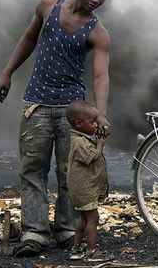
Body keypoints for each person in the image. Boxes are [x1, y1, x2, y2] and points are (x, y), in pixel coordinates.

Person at [0, 0, 112, 257]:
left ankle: (67, 230)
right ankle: (34, 233)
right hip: (37, 103)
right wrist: (7, 72)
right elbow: (29, 39)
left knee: (71, 173)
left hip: (73, 112)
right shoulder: (48, 5)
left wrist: (100, 114)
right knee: (32, 170)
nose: (96, 0)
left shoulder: (98, 32)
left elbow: (100, 76)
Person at [65, 100, 109, 262]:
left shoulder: (80, 137)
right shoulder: (78, 142)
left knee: (83, 218)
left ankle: (76, 249)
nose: (95, 125)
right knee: (93, 219)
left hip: (83, 189)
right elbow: (93, 157)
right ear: (78, 123)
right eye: (92, 122)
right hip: (84, 190)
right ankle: (91, 251)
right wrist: (100, 144)